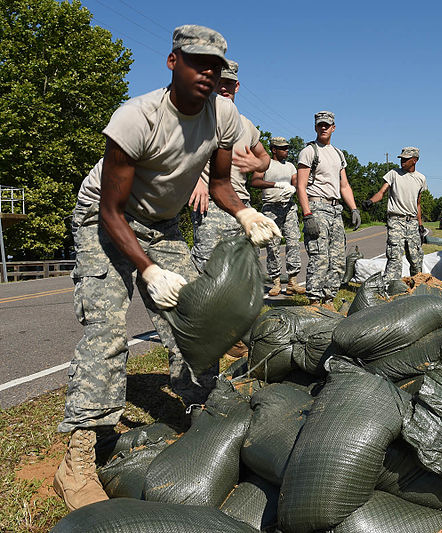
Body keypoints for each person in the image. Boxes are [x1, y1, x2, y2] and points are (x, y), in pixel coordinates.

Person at [54, 25, 280, 511]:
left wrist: (244, 211)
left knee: (194, 316)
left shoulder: (223, 114)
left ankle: (200, 406)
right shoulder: (137, 118)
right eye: (198, 62)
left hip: (161, 220)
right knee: (107, 329)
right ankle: (78, 452)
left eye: (216, 66)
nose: (208, 73)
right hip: (104, 219)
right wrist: (148, 270)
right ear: (174, 61)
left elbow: (220, 181)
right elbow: (112, 212)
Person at [189, 59, 271, 273]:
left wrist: (258, 163)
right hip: (210, 204)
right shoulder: (199, 116)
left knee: (244, 268)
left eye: (229, 83)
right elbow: (180, 154)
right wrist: (195, 180)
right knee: (207, 267)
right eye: (220, 82)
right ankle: (197, 306)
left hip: (241, 203)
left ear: (237, 86)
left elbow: (265, 158)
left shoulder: (246, 124)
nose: (224, 88)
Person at [296, 111, 361, 304]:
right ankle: (315, 301)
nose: (323, 128)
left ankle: (328, 300)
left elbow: (344, 185)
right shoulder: (309, 151)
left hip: (335, 210)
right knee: (319, 258)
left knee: (338, 260)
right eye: (320, 125)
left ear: (333, 128)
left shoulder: (338, 154)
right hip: (316, 206)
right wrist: (307, 215)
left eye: (327, 125)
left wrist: (354, 209)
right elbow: (301, 185)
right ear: (315, 127)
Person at [362, 146, 427, 280]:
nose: (402, 161)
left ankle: (417, 287)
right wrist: (371, 201)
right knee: (395, 256)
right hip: (396, 220)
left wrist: (420, 226)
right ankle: (390, 287)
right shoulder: (393, 174)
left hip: (412, 222)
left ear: (414, 160)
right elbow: (381, 193)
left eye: (406, 159)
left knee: (416, 259)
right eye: (401, 159)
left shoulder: (421, 179)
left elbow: (418, 204)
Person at [251, 136, 304, 296]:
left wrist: (293, 188)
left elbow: (296, 182)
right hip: (270, 209)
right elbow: (254, 182)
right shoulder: (265, 164)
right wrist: (276, 184)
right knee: (272, 246)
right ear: (274, 149)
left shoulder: (290, 167)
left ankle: (292, 282)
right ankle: (275, 282)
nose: (286, 151)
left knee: (293, 242)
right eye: (283, 148)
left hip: (288, 208)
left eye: (287, 148)